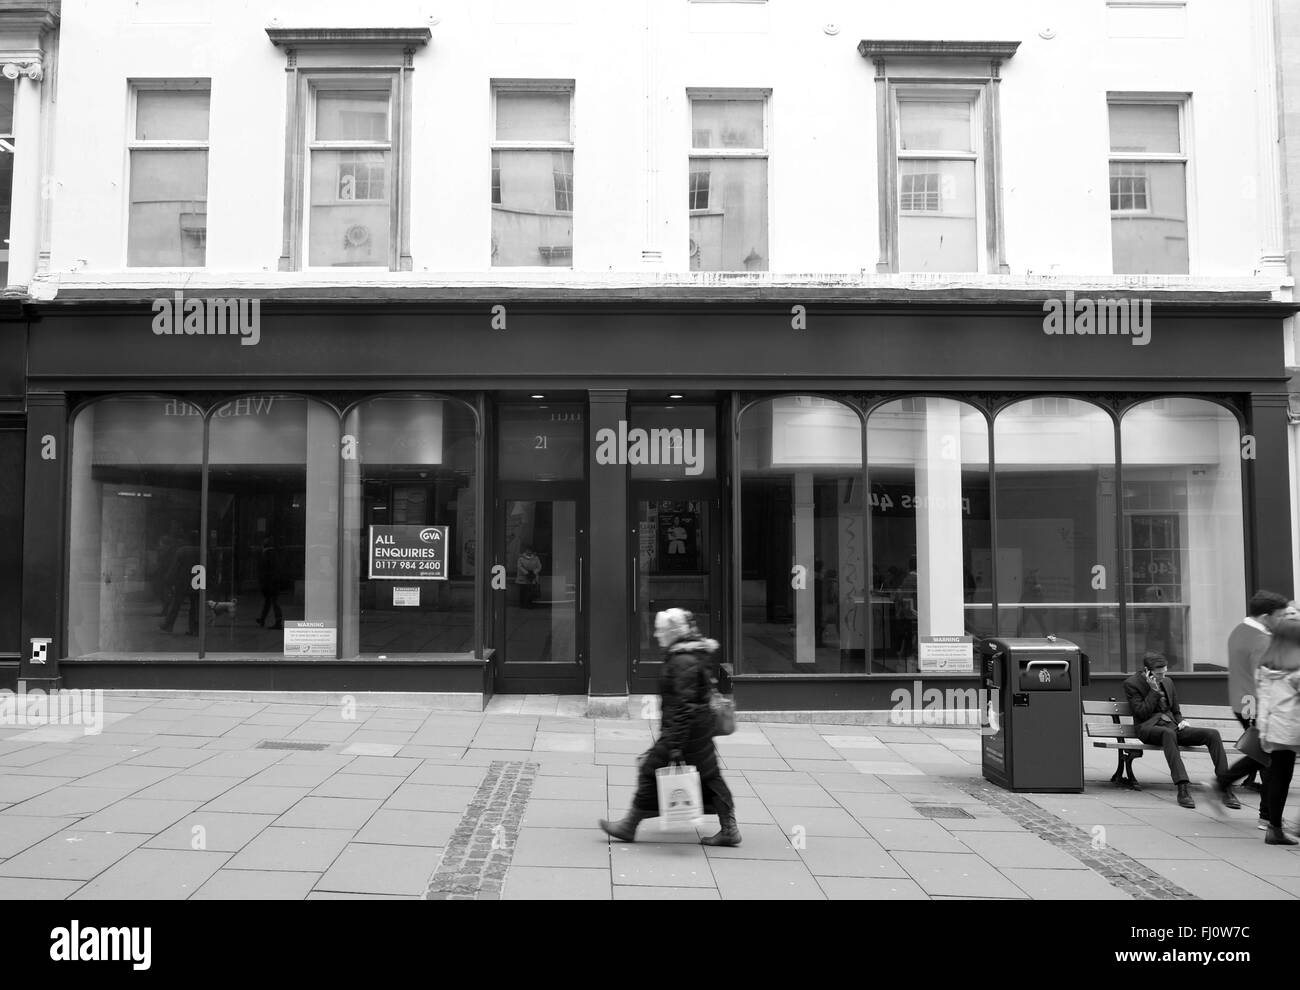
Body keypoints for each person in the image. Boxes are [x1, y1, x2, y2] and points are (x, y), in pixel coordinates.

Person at [599, 608, 739, 847]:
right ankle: (729, 828)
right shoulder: (689, 653)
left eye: (661, 630)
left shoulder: (682, 660)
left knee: (650, 769)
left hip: (686, 732)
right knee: (709, 776)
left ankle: (629, 826)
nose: (657, 634)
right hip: (696, 729)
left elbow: (684, 705)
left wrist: (674, 744)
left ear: (673, 631)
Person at [1122, 652, 1239, 810]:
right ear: (1147, 671)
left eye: (1165, 672)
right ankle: (1183, 787)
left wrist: (1182, 721)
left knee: (1212, 734)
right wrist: (1154, 690)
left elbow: (1175, 710)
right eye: (1158, 674)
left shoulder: (1168, 682)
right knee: (1168, 734)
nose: (1162, 676)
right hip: (1148, 729)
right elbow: (1141, 713)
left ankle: (1225, 787)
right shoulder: (1132, 683)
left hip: (1172, 726)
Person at [1223, 590, 1290, 827]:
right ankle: (1268, 817)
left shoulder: (1238, 631)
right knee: (1271, 760)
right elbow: (1263, 678)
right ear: (1265, 616)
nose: (1282, 620)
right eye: (1280, 616)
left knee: (1264, 758)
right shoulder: (1262, 640)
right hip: (1256, 704)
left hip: (1240, 702)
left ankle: (1223, 783)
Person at [1255, 616, 1300, 845]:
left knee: (1279, 777)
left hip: (1274, 727)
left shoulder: (1268, 664)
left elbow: (1264, 699)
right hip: (1293, 726)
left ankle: (1274, 828)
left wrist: (1263, 728)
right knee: (1282, 777)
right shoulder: (1295, 668)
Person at [159, 532, 201, 635]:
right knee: (195, 606)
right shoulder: (202, 551)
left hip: (182, 581)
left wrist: (168, 581)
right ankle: (194, 629)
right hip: (198, 581)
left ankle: (168, 625)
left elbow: (175, 568)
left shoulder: (182, 551)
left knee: (176, 604)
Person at [256, 538, 284, 630]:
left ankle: (278, 622)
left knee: (273, 602)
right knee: (270, 601)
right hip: (275, 582)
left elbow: (264, 571)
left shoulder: (267, 554)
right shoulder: (275, 554)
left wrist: (263, 583)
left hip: (270, 583)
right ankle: (263, 619)